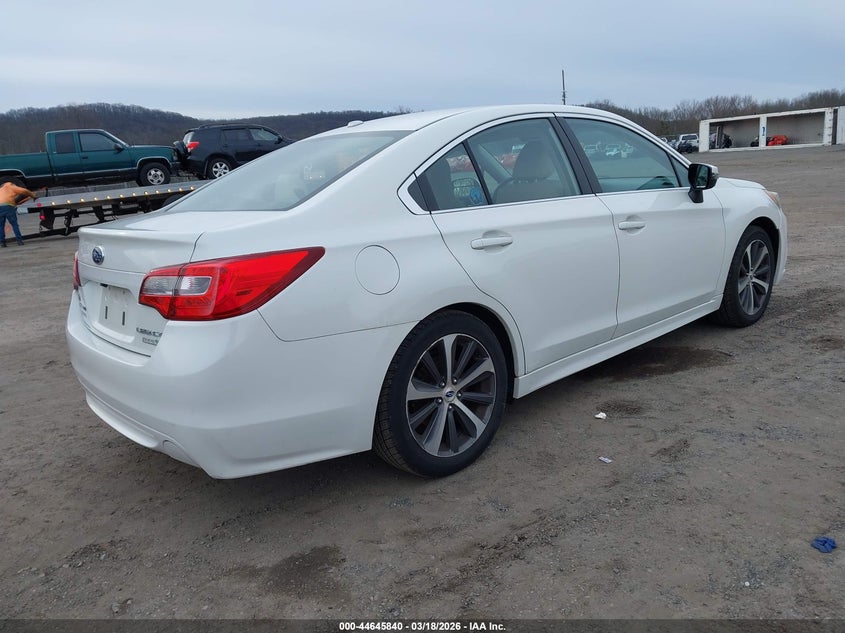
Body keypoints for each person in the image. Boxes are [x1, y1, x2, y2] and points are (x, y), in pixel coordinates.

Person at [0, 178, 38, 247]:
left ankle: (2, 243)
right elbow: (24, 191)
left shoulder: (1, 189)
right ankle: (19, 241)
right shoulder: (11, 186)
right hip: (8, 206)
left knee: (1, 226)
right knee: (14, 224)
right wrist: (33, 195)